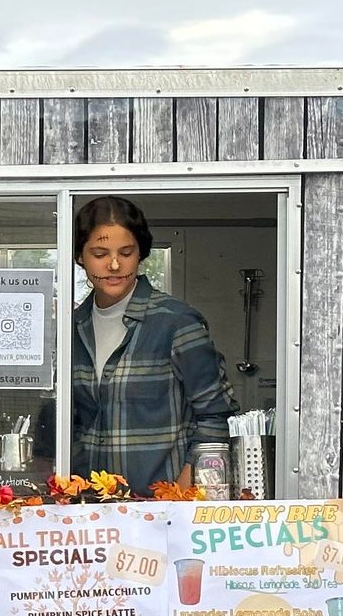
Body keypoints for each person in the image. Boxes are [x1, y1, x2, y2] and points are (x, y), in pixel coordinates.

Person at [70, 196, 236, 495]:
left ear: (141, 254)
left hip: (164, 509)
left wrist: (181, 494)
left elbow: (214, 415)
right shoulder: (71, 327)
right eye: (99, 253)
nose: (115, 264)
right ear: (80, 256)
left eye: (127, 252)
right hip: (88, 513)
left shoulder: (177, 322)